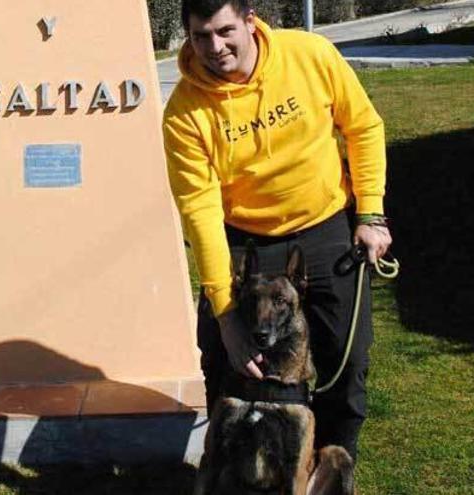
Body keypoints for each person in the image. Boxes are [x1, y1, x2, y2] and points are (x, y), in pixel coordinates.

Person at [162, 0, 392, 460]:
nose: (215, 46)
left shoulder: (311, 55)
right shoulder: (184, 112)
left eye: (225, 30)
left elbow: (363, 127)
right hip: (247, 242)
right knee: (229, 361)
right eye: (201, 36)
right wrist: (225, 314)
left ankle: (328, 472)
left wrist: (370, 215)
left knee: (346, 364)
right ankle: (234, 473)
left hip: (326, 229)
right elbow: (200, 211)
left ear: (250, 21)